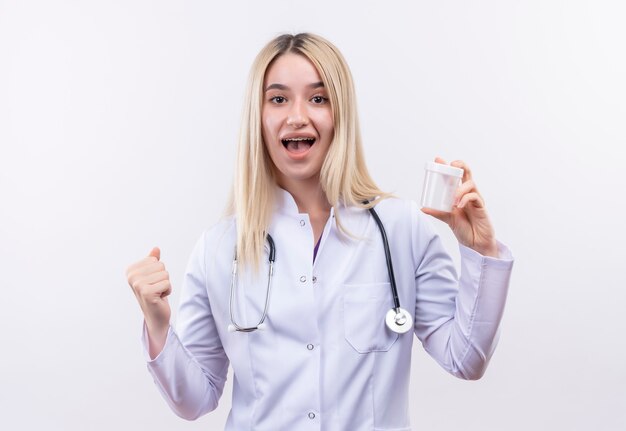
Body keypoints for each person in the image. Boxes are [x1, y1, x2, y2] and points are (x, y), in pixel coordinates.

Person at [126, 33, 514, 430]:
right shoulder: (220, 247)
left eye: (318, 98)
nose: (297, 116)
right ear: (258, 118)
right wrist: (157, 323)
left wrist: (479, 248)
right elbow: (195, 399)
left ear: (340, 114)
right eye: (278, 99)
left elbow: (466, 358)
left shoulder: (400, 229)